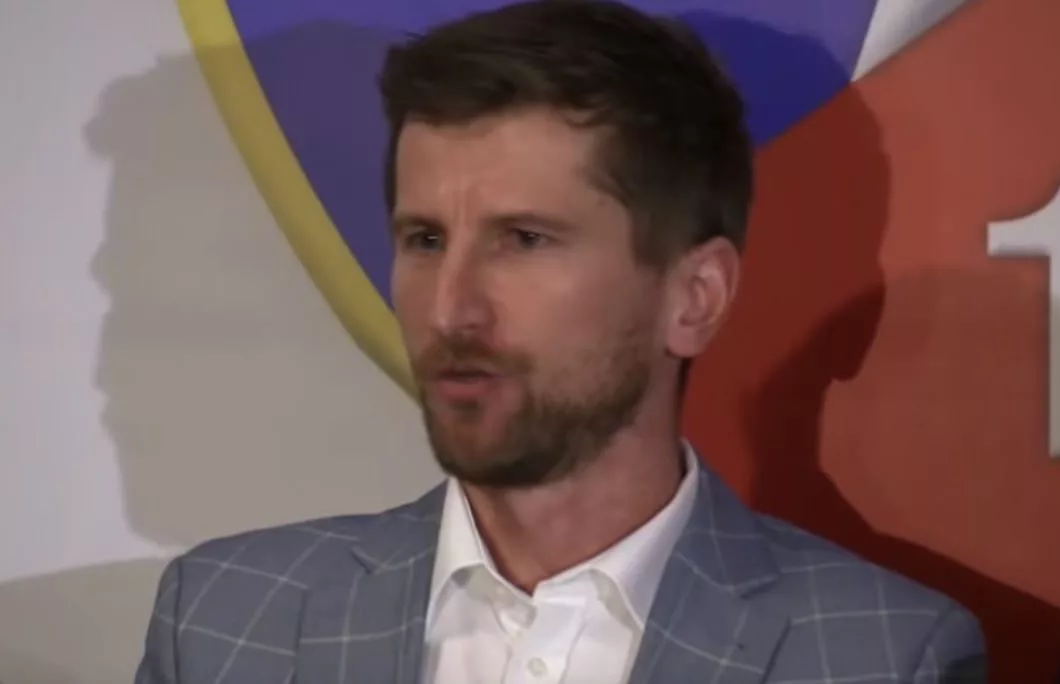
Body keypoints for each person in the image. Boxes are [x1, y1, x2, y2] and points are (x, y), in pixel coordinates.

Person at [135, 1, 987, 681]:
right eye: (424, 240)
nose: (450, 311)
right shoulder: (224, 621)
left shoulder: (880, 655)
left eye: (525, 240)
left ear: (694, 298)